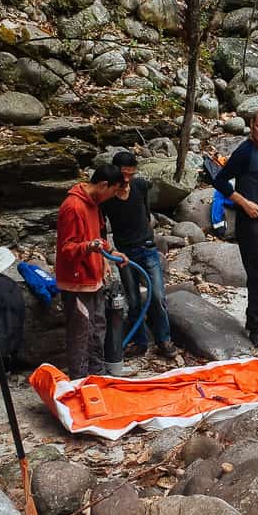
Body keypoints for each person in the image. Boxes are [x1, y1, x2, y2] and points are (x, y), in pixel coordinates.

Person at [211, 109, 258, 350]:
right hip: (250, 221)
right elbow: (220, 180)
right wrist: (243, 202)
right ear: (251, 125)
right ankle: (255, 328)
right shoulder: (245, 151)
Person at [100, 151, 176, 359]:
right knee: (133, 299)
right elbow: (100, 229)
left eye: (130, 174)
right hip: (124, 253)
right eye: (123, 174)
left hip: (147, 248)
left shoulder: (140, 186)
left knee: (158, 296)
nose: (126, 179)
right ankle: (140, 341)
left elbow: (146, 212)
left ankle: (164, 339)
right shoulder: (106, 198)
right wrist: (107, 255)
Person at [57, 164, 129, 379]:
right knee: (81, 335)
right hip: (76, 282)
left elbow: (99, 237)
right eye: (113, 191)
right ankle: (79, 382)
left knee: (98, 329)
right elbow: (66, 248)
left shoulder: (94, 205)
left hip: (94, 279)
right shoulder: (73, 207)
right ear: (103, 185)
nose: (112, 196)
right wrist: (88, 247)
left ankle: (97, 377)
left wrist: (112, 252)